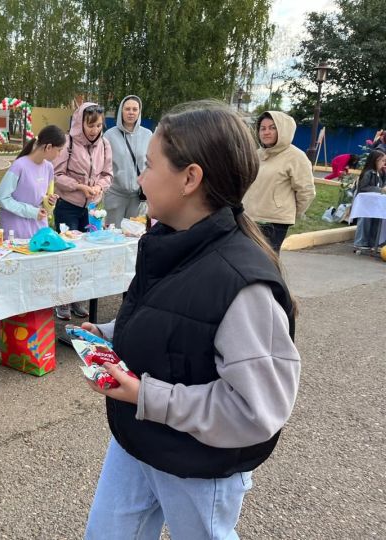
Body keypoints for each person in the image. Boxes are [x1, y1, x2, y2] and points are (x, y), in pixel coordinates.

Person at [80, 101, 301, 540]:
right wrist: (109, 334)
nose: (140, 179)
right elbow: (171, 322)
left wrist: (148, 396)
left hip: (200, 465)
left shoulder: (241, 283)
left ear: (190, 178)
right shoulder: (167, 242)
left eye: (148, 166)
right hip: (138, 440)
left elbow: (257, 411)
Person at [52, 102, 113, 320]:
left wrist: (99, 187)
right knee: (67, 253)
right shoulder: (67, 143)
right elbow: (56, 175)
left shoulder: (105, 145)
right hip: (68, 206)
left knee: (86, 255)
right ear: (80, 123)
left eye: (98, 125)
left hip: (91, 209)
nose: (94, 130)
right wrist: (79, 187)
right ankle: (62, 301)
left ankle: (78, 298)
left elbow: (107, 174)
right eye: (90, 125)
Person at [242, 110, 315, 254]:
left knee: (265, 262)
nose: (266, 132)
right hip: (249, 217)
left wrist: (288, 212)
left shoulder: (296, 157)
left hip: (274, 222)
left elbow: (306, 191)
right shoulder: (257, 155)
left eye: (272, 127)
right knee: (247, 260)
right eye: (262, 128)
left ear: (283, 129)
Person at [0, 125, 65, 239]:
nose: (60, 154)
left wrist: (50, 202)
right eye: (59, 150)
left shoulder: (49, 168)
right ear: (48, 147)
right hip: (16, 229)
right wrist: (32, 212)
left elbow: (46, 201)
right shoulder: (19, 166)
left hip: (39, 228)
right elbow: (2, 197)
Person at [103, 95, 153, 225]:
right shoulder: (109, 135)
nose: (131, 112)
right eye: (127, 109)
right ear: (121, 111)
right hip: (115, 195)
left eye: (135, 109)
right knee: (113, 236)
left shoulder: (148, 135)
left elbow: (152, 163)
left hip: (138, 197)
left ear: (139, 112)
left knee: (133, 235)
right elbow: (103, 165)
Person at [353, 149, 386, 250]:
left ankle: (372, 242)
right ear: (376, 161)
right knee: (365, 221)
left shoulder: (379, 173)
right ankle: (360, 241)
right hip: (365, 203)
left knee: (375, 221)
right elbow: (363, 187)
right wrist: (380, 190)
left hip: (374, 202)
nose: (384, 163)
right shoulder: (368, 173)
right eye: (383, 161)